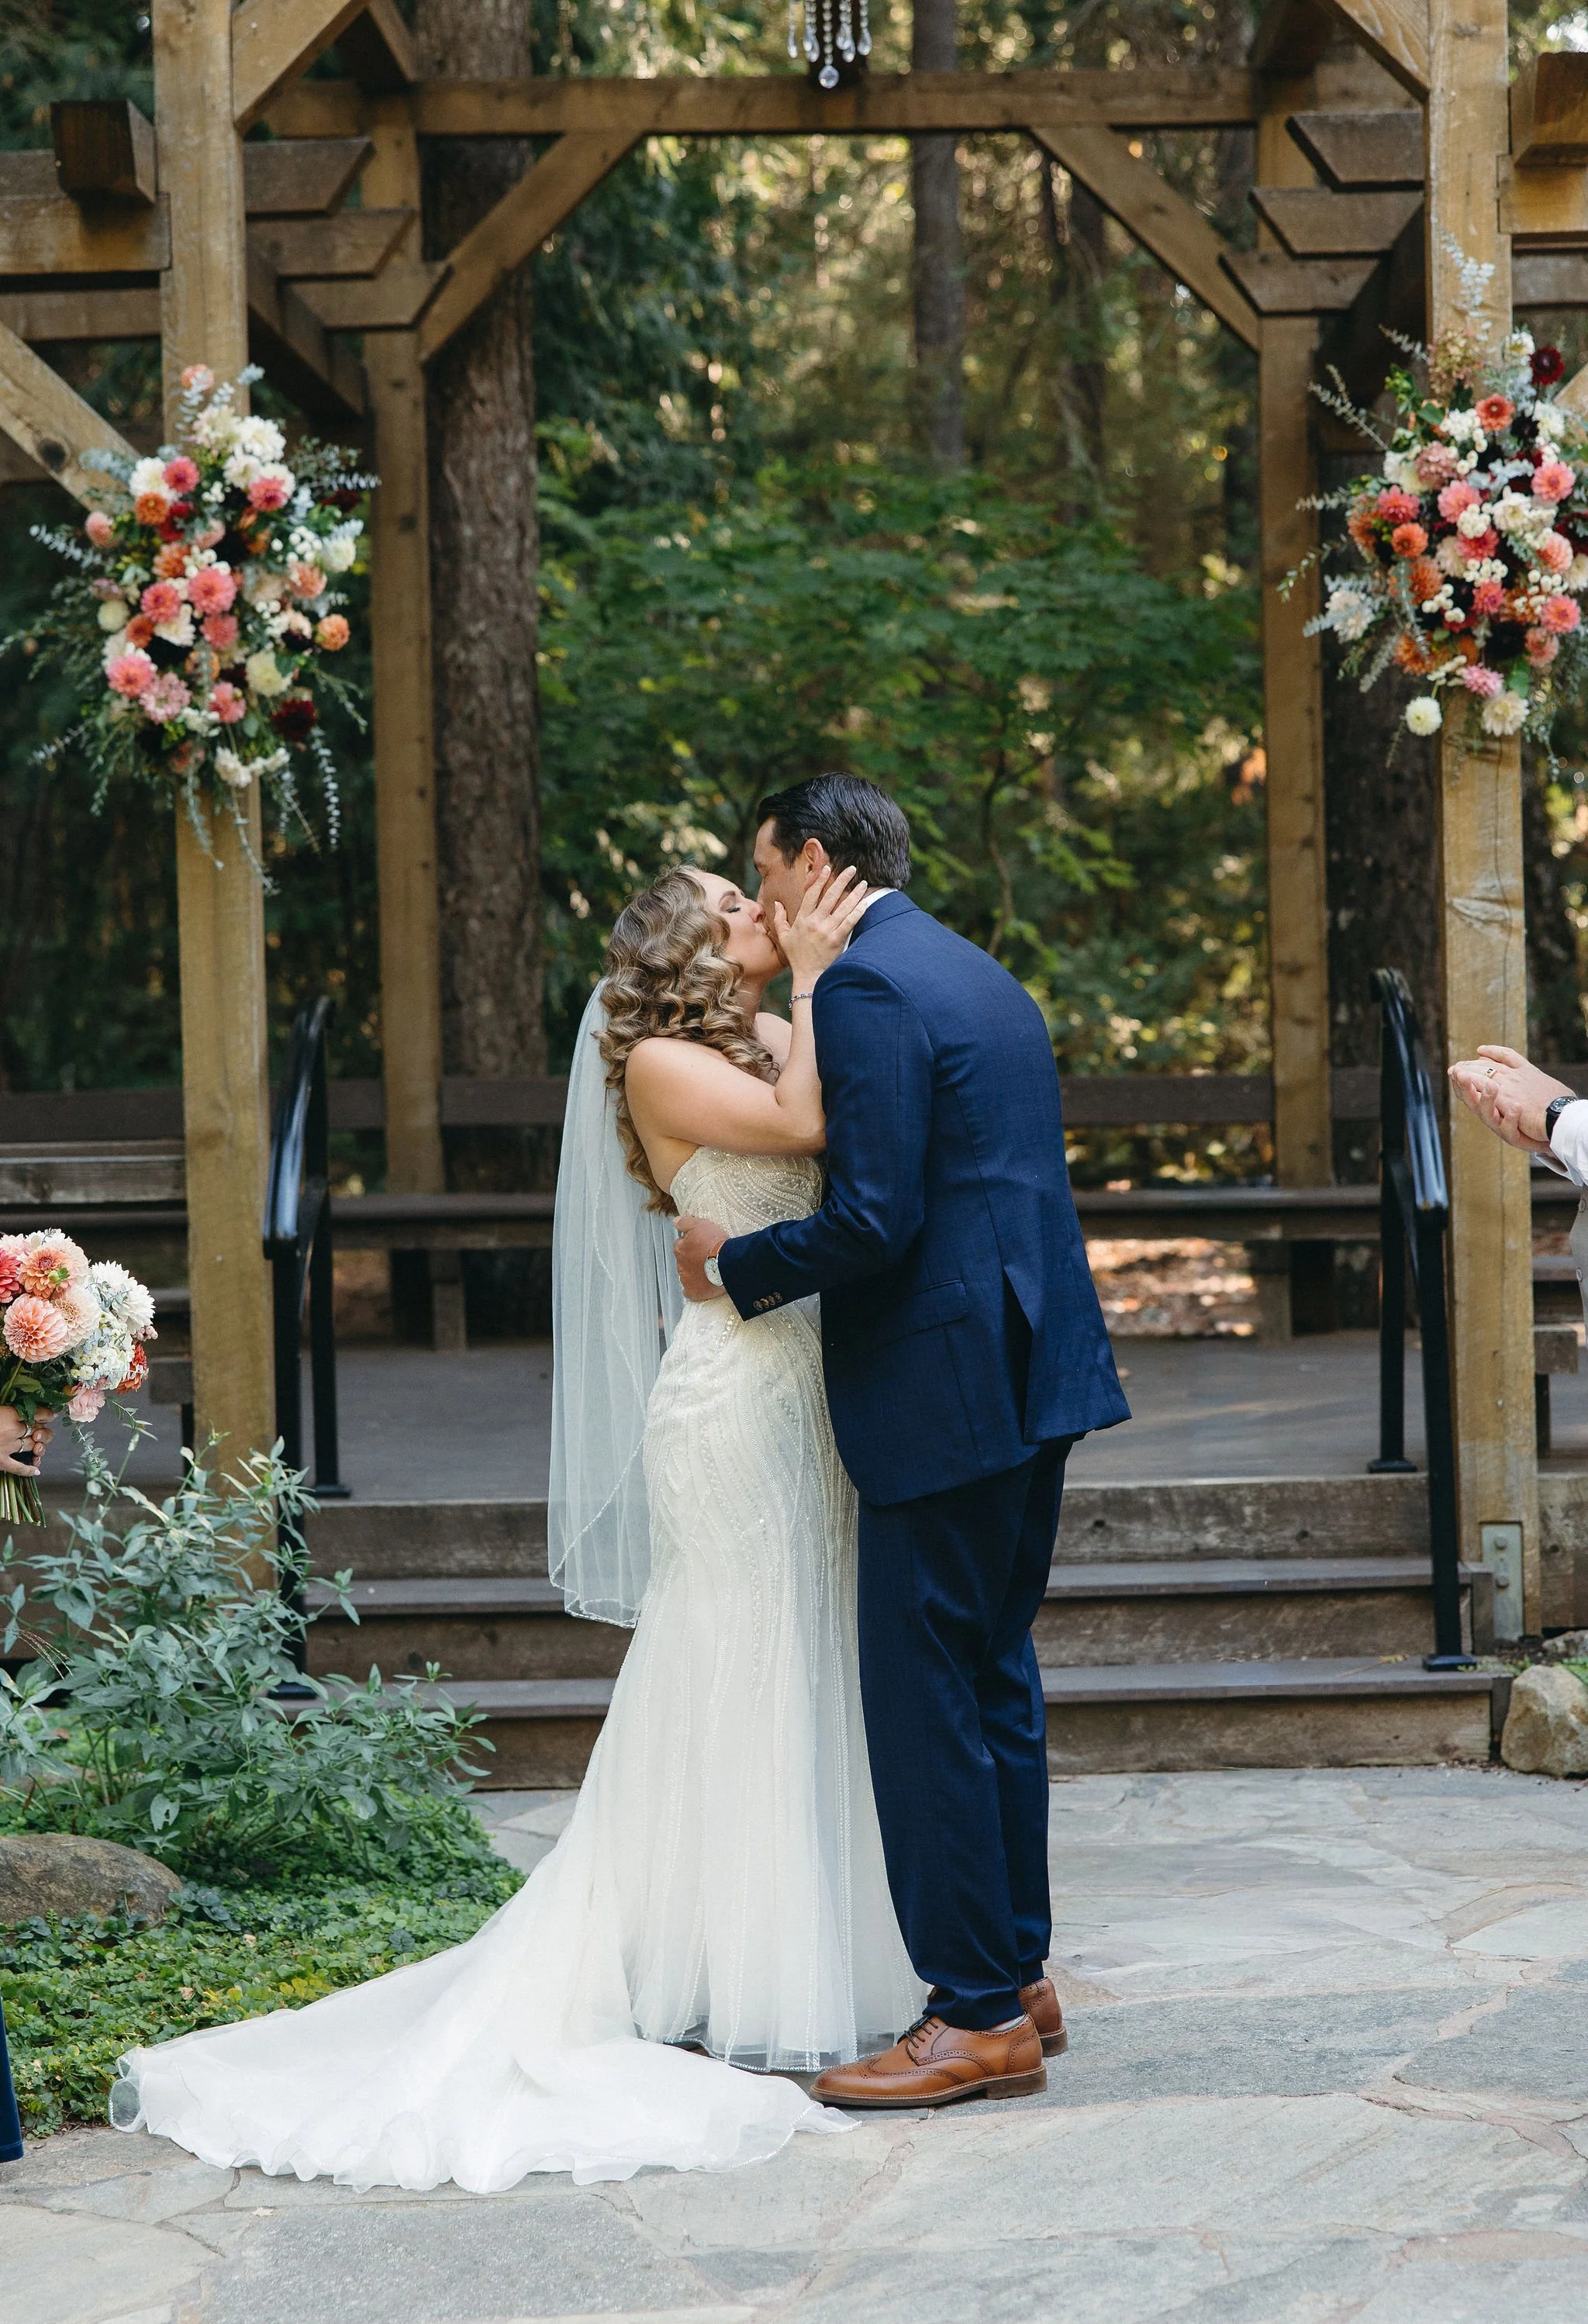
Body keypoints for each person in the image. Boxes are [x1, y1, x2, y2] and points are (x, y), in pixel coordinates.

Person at [109, 858, 925, 2192]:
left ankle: (817, 1947)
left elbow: (854, 1121)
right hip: (729, 1407)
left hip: (814, 1396)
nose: (760, 911)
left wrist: (827, 994)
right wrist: (831, 975)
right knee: (731, 1661)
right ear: (687, 949)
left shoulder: (781, 1028)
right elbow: (809, 1131)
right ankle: (709, 1964)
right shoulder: (667, 1060)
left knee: (810, 1653)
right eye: (733, 903)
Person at [674, 772, 1130, 2109]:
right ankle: (1020, 1975)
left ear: (810, 861)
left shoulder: (869, 990)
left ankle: (974, 2014)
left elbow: (873, 1218)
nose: (761, 901)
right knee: (995, 1679)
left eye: (764, 875)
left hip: (944, 1392)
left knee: (926, 1700)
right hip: (1031, 1370)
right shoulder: (970, 966)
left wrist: (737, 1262)